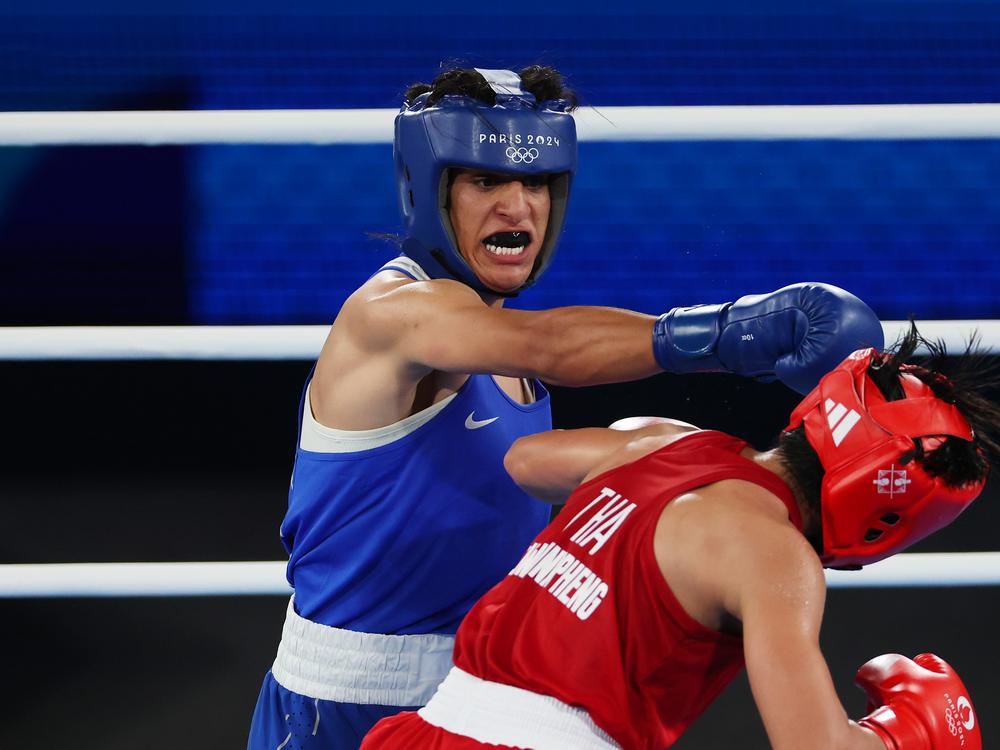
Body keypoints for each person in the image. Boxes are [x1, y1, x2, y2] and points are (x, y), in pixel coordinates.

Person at [247, 65, 884, 749]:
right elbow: (549, 344)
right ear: (431, 190)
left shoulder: (505, 352)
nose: (517, 207)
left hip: (479, 708)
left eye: (537, 183)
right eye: (486, 181)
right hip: (344, 704)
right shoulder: (393, 314)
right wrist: (729, 332)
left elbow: (528, 470)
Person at [361, 326, 995, 750]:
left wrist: (631, 491)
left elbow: (526, 459)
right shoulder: (777, 556)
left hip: (423, 729)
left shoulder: (662, 437)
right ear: (887, 514)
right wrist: (905, 735)